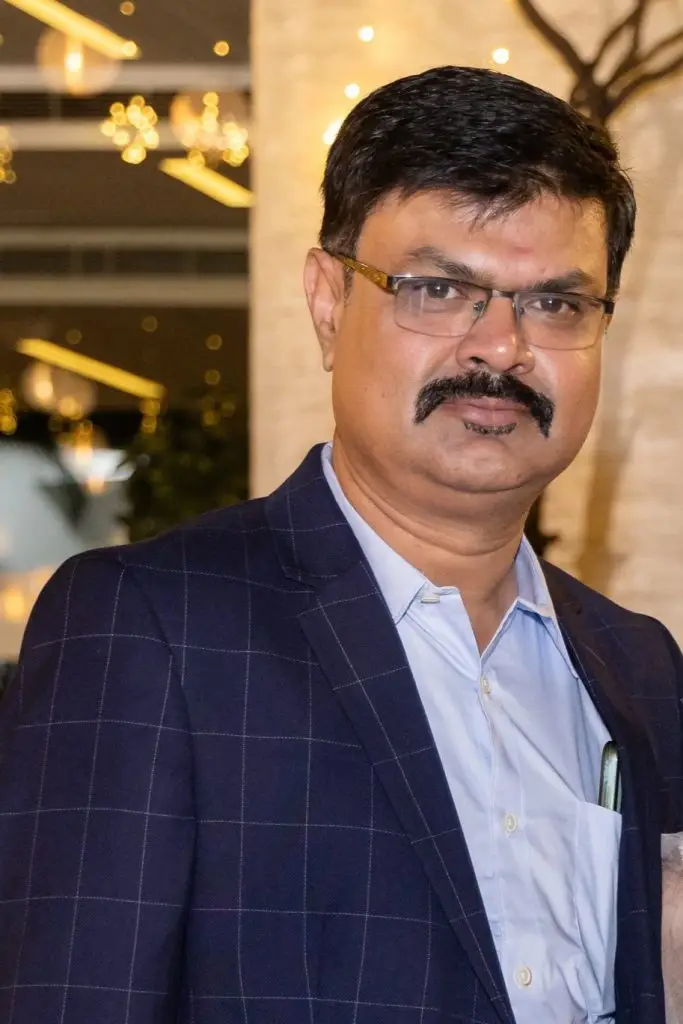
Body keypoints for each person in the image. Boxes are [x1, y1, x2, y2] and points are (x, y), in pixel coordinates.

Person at [0, 65, 681, 1024]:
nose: (500, 347)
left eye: (556, 304)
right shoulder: (153, 628)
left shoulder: (636, 666)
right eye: (439, 289)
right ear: (328, 302)